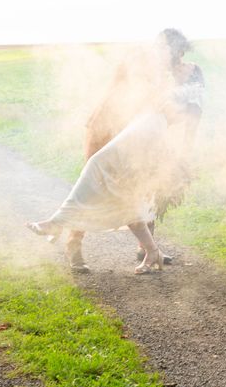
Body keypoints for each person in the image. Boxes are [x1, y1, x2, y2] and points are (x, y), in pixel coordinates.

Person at [28, 29, 204, 274]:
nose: (175, 62)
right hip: (105, 128)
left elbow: (174, 110)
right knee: (94, 183)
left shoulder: (167, 71)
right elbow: (134, 99)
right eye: (174, 55)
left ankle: (147, 248)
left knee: (141, 188)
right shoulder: (140, 62)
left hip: (133, 132)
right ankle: (73, 244)